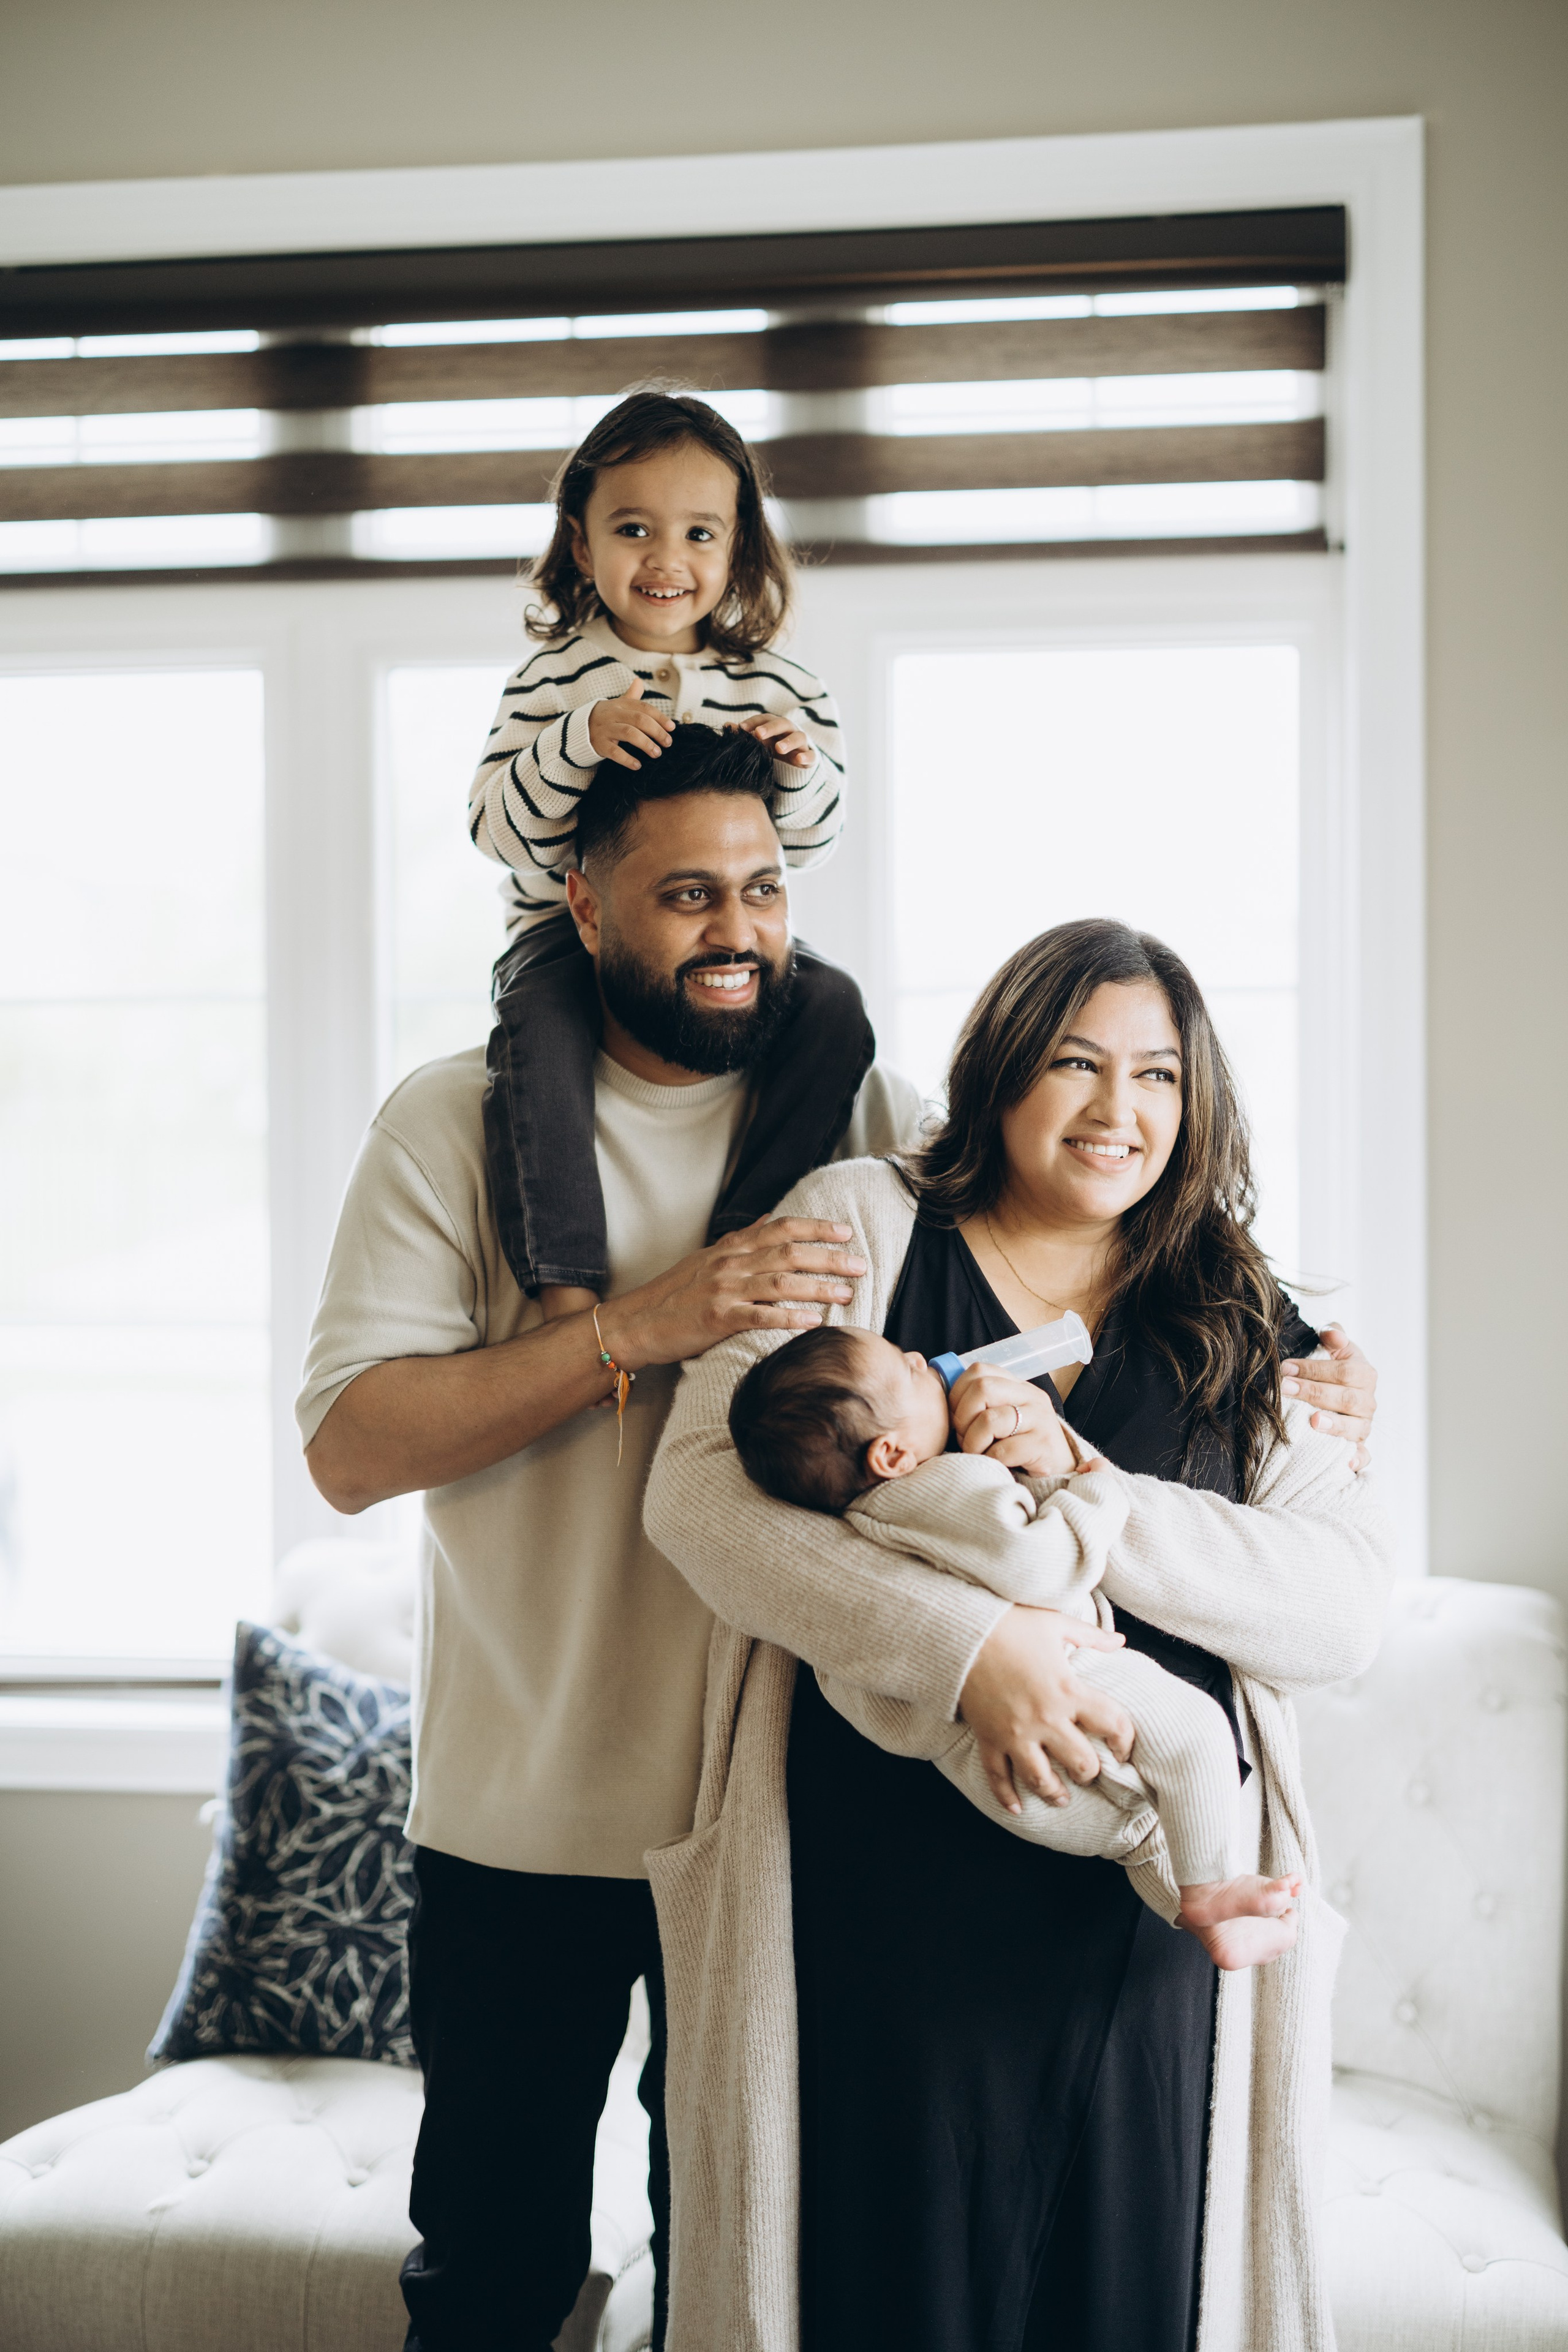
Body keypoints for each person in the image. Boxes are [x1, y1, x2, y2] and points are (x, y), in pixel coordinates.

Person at [643, 917, 1390, 2352]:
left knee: (1124, 2302)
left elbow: (1339, 1605)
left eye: (1157, 1074)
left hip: (1154, 1919)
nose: (1119, 1110)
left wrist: (1092, 1492)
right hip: (877, 1921)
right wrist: (976, 1648)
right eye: (1075, 1061)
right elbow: (696, 1501)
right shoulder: (863, 1225)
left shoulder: (1240, 1307)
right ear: (999, 1069)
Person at [296, 725, 918, 2352]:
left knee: (742, 2285)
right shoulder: (450, 1125)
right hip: (516, 1827)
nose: (739, 930)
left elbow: (1058, 1286)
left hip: (775, 1824)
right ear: (581, 905)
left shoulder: (867, 1120)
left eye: (767, 891)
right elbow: (351, 1449)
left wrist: (1291, 1365)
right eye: (689, 894)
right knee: (490, 2285)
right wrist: (644, 1324)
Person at [727, 1321, 1307, 1969]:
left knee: (1140, 1831)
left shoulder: (863, 1521)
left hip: (996, 1772)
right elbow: (1041, 1564)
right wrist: (1092, 1488)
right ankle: (1210, 1893)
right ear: (891, 1456)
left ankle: (1199, 1909)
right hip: (1063, 1680)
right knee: (1196, 1731)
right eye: (907, 1367)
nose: (922, 1355)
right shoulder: (945, 1485)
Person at [468, 386, 863, 1325]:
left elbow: (813, 840)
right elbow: (498, 830)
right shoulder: (550, 678)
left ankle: (748, 1232)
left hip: (720, 937)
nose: (666, 559)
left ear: (738, 547)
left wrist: (793, 770)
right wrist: (578, 739)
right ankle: (566, 1280)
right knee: (540, 1032)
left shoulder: (783, 681)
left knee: (835, 1008)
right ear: (581, 543)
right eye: (634, 528)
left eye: (699, 534)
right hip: (567, 940)